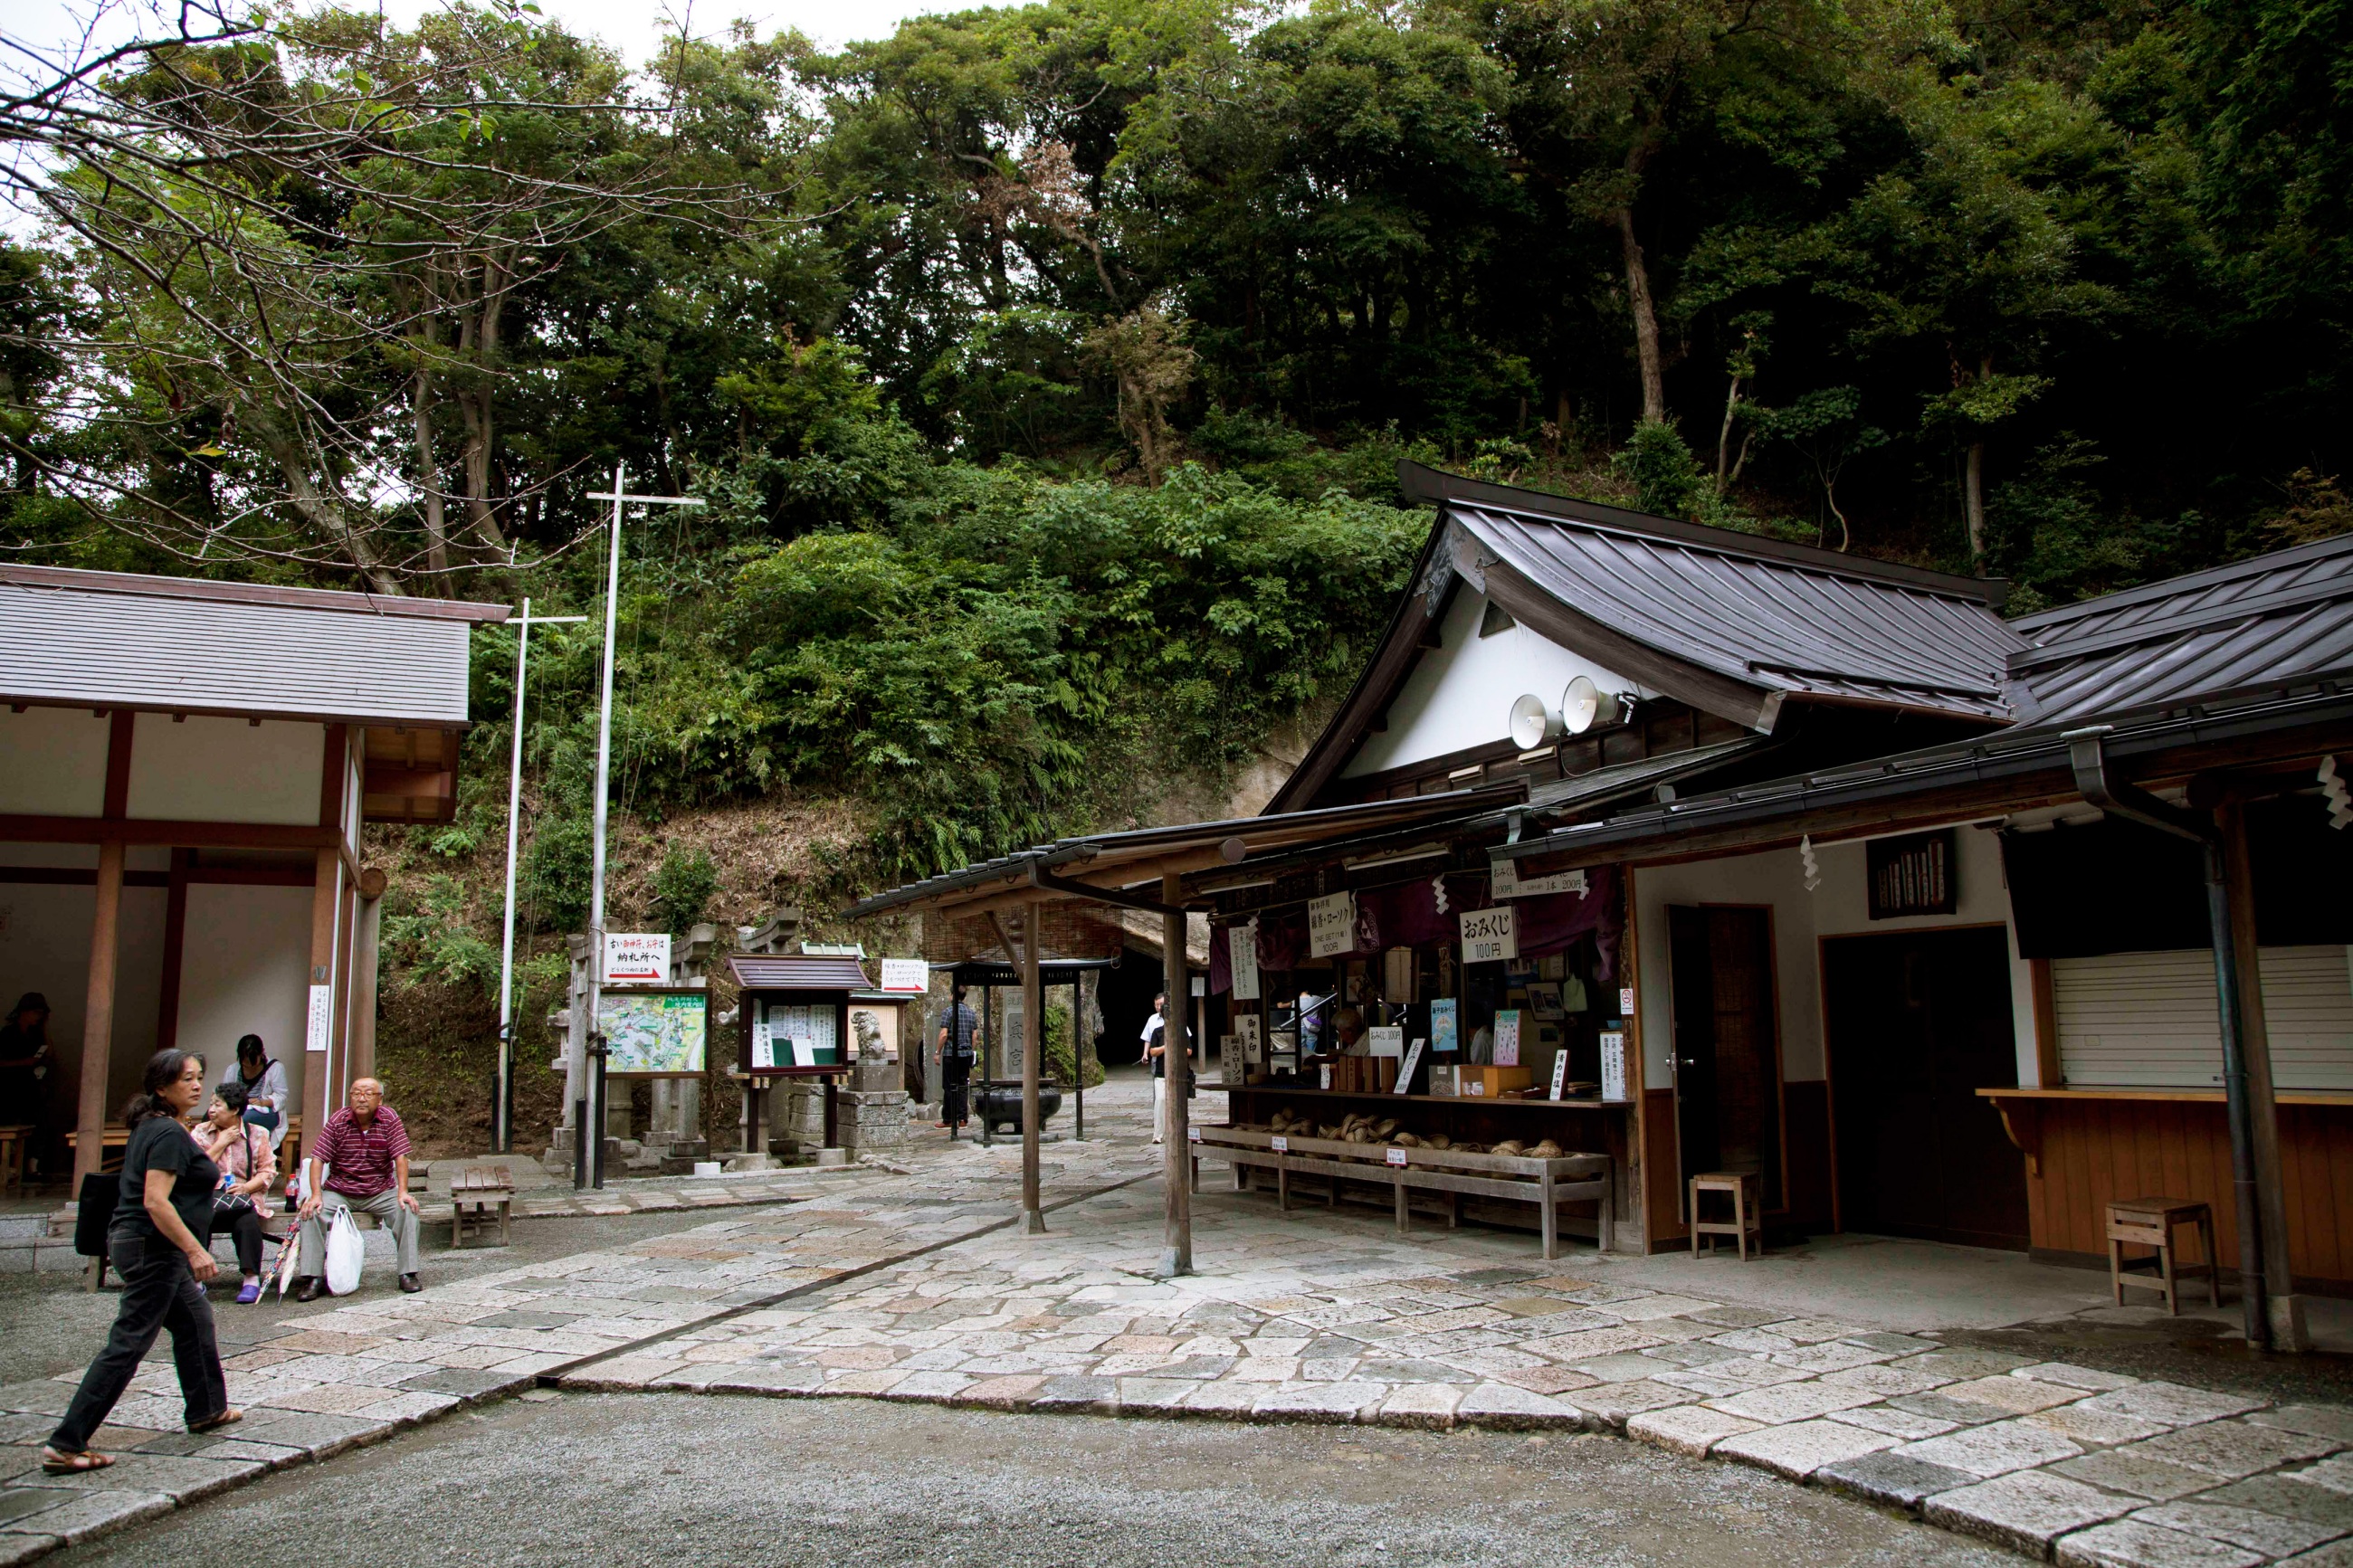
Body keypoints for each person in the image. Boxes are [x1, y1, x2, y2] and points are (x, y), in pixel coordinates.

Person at [41, 1050, 239, 1474]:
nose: (196, 1085)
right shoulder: (166, 1133)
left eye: (199, 1077)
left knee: (195, 1320)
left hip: (144, 1244)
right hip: (154, 1246)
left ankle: (207, 1408)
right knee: (129, 1342)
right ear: (162, 1086)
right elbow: (155, 1200)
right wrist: (195, 1249)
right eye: (186, 1078)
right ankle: (66, 1442)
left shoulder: (161, 1127)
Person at [291, 1078, 421, 1300]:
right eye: (356, 1093)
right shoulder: (338, 1120)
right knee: (311, 1212)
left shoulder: (389, 1118)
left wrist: (402, 1191)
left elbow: (401, 1157)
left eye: (368, 1093)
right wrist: (315, 1195)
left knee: (407, 1210)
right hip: (340, 1189)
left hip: (380, 1190)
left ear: (380, 1099)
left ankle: (407, 1273)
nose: (361, 1098)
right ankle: (313, 1278)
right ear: (350, 1096)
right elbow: (318, 1159)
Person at [199, 1084, 276, 1304]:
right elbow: (196, 1169)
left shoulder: (258, 1134)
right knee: (196, 1214)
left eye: (217, 1104)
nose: (211, 1109)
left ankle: (251, 1278)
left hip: (244, 1195)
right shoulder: (201, 1133)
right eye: (211, 1104)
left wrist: (247, 1187)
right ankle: (195, 1278)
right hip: (209, 1194)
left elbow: (268, 1171)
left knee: (247, 1220)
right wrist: (221, 1143)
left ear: (234, 1110)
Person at [0, 993, 55, 1177]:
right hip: (9, 1087)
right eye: (36, 1012)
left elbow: (49, 1055)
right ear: (24, 1011)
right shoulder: (8, 1034)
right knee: (11, 1124)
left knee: (39, 1123)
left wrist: (45, 1028)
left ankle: (33, 1165)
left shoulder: (36, 1034)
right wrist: (24, 1062)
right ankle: (9, 1166)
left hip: (32, 1087)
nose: (38, 1017)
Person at [221, 1035, 290, 1150]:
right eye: (245, 1064)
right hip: (239, 1110)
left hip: (266, 1112)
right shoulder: (233, 1069)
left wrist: (263, 1102)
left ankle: (243, 1154)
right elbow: (225, 1095)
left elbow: (282, 1096)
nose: (249, 1067)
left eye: (253, 1063)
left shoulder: (275, 1068)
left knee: (244, 1118)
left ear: (261, 1053)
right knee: (211, 1115)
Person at [1143, 993, 1191, 1144]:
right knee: (1161, 1100)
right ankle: (1158, 1134)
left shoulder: (1182, 1029)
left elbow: (1189, 1050)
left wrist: (1176, 1048)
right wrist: (1167, 1046)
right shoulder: (1157, 1030)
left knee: (1180, 1100)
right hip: (1161, 1070)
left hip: (1179, 1071)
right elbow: (1153, 1051)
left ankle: (1181, 1130)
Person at [934, 985, 977, 1138]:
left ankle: (948, 1119)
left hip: (951, 1054)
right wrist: (971, 1051)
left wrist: (937, 1052)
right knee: (963, 1085)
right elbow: (974, 1037)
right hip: (966, 1054)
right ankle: (963, 1118)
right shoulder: (971, 1013)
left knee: (949, 1086)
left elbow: (944, 1034)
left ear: (952, 995)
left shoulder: (948, 1011)